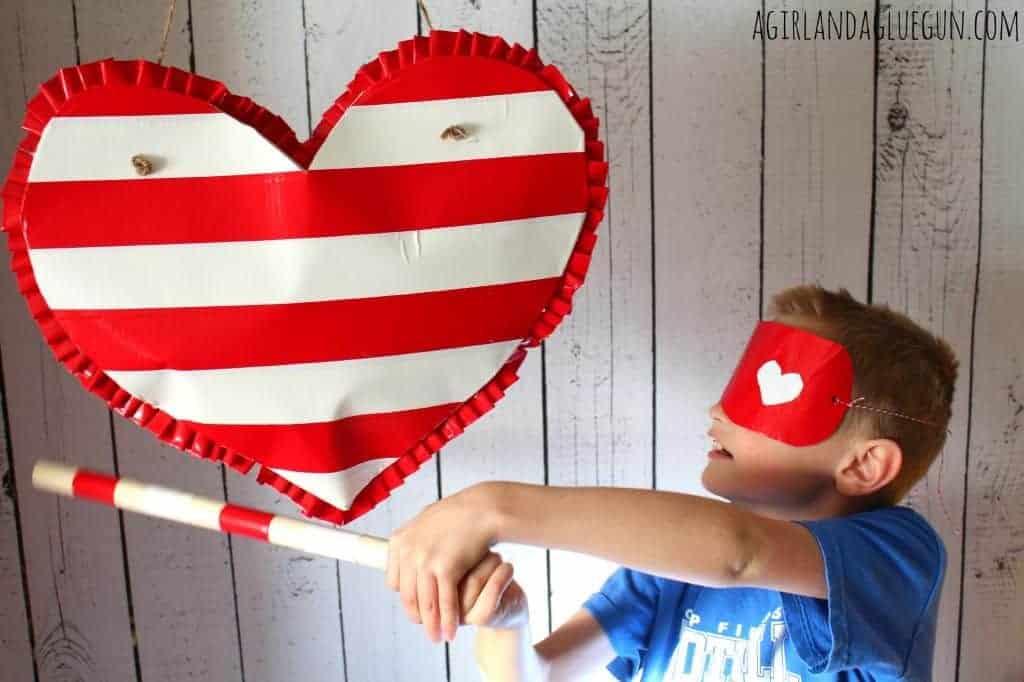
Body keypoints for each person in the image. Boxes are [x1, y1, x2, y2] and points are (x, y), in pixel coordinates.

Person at [385, 284, 957, 681]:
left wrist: (491, 507)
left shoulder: (898, 559)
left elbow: (740, 553)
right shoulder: (667, 574)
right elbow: (543, 675)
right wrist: (507, 622)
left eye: (763, 392)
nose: (717, 410)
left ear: (862, 466)